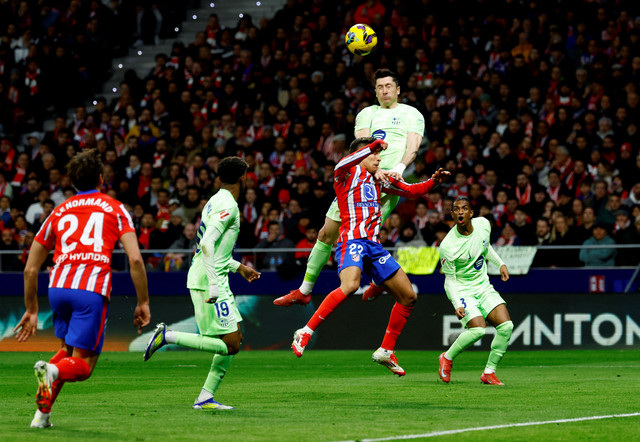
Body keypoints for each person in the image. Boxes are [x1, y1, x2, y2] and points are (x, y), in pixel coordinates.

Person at [13, 149, 151, 428]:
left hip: (58, 287)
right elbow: (135, 259)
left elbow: (30, 268)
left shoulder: (58, 211)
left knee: (66, 351)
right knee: (84, 366)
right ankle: (49, 371)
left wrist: (31, 309)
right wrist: (143, 302)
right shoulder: (115, 208)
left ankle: (42, 416)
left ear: (72, 182)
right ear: (101, 178)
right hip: (90, 290)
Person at [290, 137, 449, 376]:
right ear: (360, 155)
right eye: (374, 155)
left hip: (374, 246)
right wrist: (373, 146)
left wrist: (433, 182)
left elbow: (412, 191)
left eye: (379, 156)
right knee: (351, 285)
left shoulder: (380, 180)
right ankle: (306, 331)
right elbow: (343, 163)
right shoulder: (344, 175)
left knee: (408, 296)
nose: (379, 160)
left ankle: (386, 350)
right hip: (351, 240)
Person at [274, 69, 425, 306]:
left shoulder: (412, 114)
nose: (385, 91)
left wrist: (399, 168)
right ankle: (304, 291)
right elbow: (361, 148)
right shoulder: (367, 113)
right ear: (375, 92)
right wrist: (375, 169)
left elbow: (413, 148)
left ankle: (378, 281)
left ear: (398, 89)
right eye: (380, 87)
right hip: (358, 184)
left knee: (369, 238)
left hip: (388, 184)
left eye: (389, 86)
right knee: (325, 234)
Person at [143, 157, 261, 410]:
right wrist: (216, 285)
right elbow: (206, 244)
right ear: (243, 178)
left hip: (210, 275)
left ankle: (205, 397)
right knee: (231, 344)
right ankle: (168, 336)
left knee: (235, 338)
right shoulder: (228, 204)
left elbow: (214, 251)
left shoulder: (214, 201)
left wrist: (238, 267)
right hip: (210, 281)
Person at [438, 197, 513, 386]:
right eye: (456, 209)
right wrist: (457, 303)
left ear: (471, 213)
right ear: (453, 215)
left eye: (464, 208)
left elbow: (485, 247)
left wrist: (500, 263)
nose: (460, 212)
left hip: (483, 286)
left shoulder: (483, 224)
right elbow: (450, 280)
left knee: (506, 327)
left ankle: (489, 372)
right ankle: (447, 357)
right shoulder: (448, 246)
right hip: (463, 290)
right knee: (479, 329)